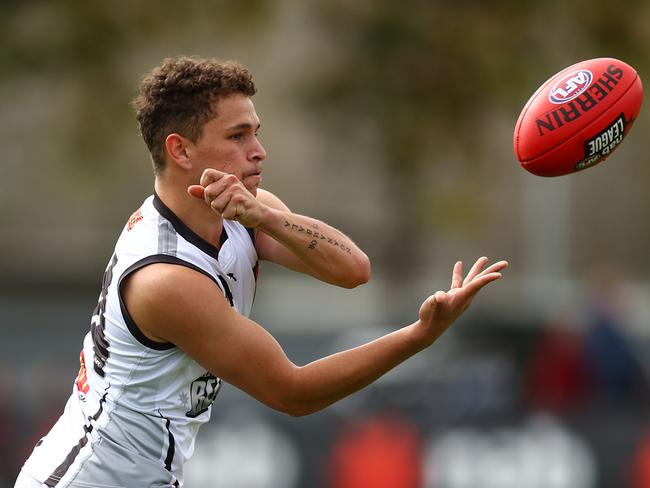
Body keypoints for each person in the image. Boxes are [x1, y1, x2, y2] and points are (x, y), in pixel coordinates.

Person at [14, 56, 508, 488]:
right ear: (181, 151)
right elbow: (292, 393)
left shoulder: (246, 215)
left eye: (256, 131)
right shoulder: (167, 280)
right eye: (237, 135)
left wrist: (269, 217)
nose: (259, 150)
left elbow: (353, 270)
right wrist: (421, 335)